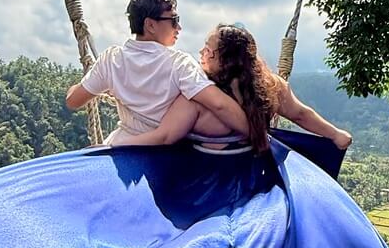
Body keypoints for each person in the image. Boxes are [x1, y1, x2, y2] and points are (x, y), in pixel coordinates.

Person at [116, 22, 353, 155]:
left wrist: (113, 146)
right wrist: (335, 134)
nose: (201, 53)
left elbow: (165, 136)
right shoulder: (271, 86)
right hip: (258, 171)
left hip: (204, 180)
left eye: (207, 50)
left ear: (225, 60)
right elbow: (300, 114)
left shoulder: (198, 96)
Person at [65, 0, 250, 145]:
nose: (179, 28)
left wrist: (97, 83)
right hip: (164, 152)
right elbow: (219, 105)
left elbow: (73, 100)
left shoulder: (111, 60)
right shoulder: (180, 65)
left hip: (123, 147)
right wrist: (256, 135)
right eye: (174, 20)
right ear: (150, 25)